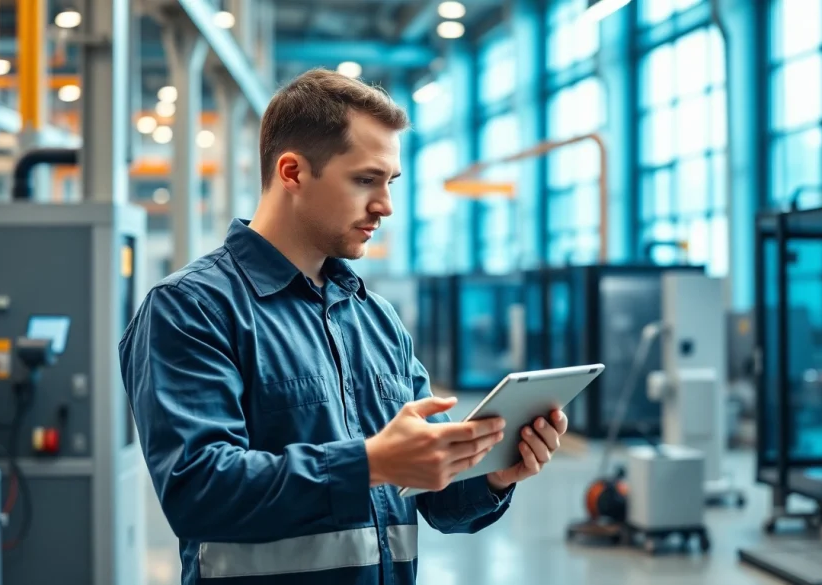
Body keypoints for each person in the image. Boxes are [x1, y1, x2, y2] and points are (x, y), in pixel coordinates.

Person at [118, 68, 569, 585]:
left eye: (390, 182)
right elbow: (197, 490)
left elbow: (435, 502)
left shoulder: (376, 319)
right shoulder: (191, 309)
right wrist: (369, 463)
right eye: (365, 180)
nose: (386, 205)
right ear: (292, 172)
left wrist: (490, 476)